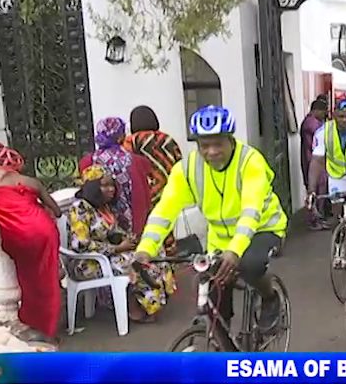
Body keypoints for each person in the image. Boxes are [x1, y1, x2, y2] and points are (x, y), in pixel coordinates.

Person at [134, 105, 288, 333]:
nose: (212, 151)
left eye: (218, 144)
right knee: (215, 299)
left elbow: (251, 211)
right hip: (220, 240)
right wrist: (145, 248)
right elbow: (164, 211)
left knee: (251, 265)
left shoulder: (250, 162)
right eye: (205, 145)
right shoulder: (187, 169)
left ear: (231, 140)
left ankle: (270, 297)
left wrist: (235, 251)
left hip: (263, 228)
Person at [67, 164, 176, 323]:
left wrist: (129, 240)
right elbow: (80, 244)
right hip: (86, 263)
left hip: (108, 256)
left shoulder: (103, 207)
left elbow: (113, 232)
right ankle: (136, 306)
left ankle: (155, 301)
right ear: (93, 187)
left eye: (112, 184)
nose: (111, 189)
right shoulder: (80, 208)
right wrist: (117, 248)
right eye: (104, 185)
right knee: (135, 264)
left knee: (154, 252)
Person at [0, 143, 61, 342]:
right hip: (45, 231)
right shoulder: (31, 181)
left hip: (16, 234)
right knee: (47, 280)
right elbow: (57, 211)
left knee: (27, 279)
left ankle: (28, 323)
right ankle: (47, 330)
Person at [122, 105, 184, 255]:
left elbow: (125, 164)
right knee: (165, 225)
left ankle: (151, 259)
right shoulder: (168, 140)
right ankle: (169, 257)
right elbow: (180, 164)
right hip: (168, 190)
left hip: (144, 191)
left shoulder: (132, 141)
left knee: (148, 228)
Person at [80, 117, 153, 238]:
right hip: (133, 226)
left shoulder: (87, 162)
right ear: (121, 137)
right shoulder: (137, 162)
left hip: (102, 228)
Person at [300, 99, 330, 230]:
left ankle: (319, 218)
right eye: (324, 112)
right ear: (317, 110)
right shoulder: (311, 123)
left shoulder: (313, 122)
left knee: (320, 190)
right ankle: (314, 220)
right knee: (315, 190)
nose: (325, 114)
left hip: (315, 161)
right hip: (312, 161)